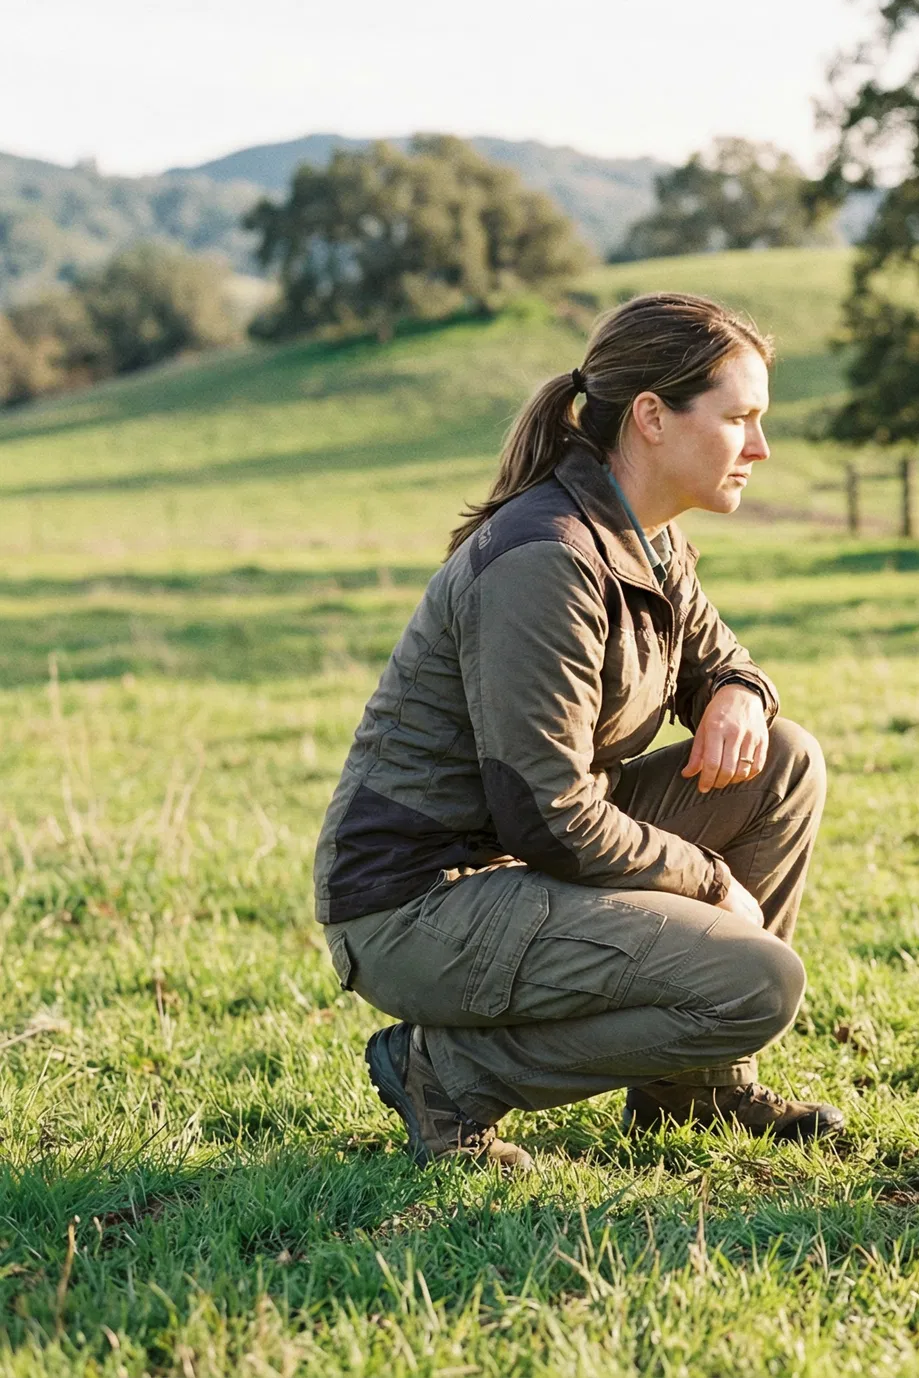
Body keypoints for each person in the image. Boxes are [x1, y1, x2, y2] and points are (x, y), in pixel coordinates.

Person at [313, 292, 843, 1170]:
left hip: (519, 861)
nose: (760, 448)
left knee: (781, 762)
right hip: (417, 903)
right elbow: (549, 814)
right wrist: (709, 881)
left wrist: (741, 692)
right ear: (651, 418)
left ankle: (694, 1092)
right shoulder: (549, 558)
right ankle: (447, 1075)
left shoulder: (646, 535)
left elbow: (718, 655)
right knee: (759, 982)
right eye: (741, 419)